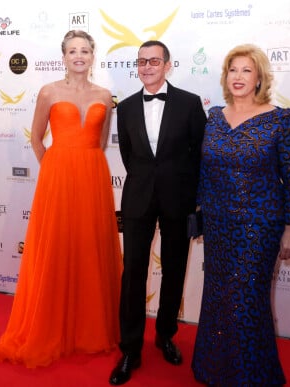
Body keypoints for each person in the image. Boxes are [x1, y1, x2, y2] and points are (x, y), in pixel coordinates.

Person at [0, 30, 122, 368]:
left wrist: (79, 163)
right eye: (73, 50)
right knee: (58, 246)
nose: (79, 56)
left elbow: (100, 142)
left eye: (85, 51)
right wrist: (55, 168)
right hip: (58, 176)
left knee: (88, 246)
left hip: (92, 174)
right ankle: (51, 326)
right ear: (63, 56)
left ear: (92, 56)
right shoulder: (49, 91)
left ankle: (89, 329)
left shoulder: (105, 94)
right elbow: (36, 137)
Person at [191, 44, 290, 386]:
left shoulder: (279, 120)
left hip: (260, 227)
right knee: (217, 297)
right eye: (233, 70)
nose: (238, 77)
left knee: (248, 300)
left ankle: (252, 376)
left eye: (246, 70)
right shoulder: (214, 117)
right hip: (217, 223)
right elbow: (205, 171)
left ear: (259, 78)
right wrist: (199, 213)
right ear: (226, 77)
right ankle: (214, 370)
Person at [109, 40, 206, 385]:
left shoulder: (190, 104)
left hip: (178, 198)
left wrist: (193, 194)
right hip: (138, 198)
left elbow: (200, 154)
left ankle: (165, 334)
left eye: (154, 60)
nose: (147, 66)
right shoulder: (126, 107)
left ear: (168, 65)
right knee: (133, 272)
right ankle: (130, 349)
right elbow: (130, 158)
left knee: (175, 268)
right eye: (141, 61)